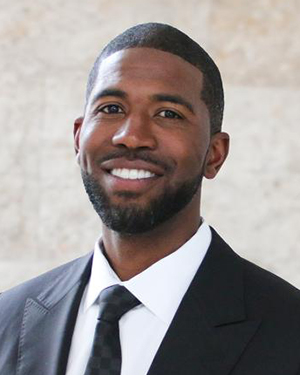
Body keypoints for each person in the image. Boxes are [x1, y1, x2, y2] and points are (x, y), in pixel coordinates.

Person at [1, 22, 300, 375]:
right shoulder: (9, 319)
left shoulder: (288, 331)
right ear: (79, 137)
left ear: (214, 154)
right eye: (111, 108)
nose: (131, 136)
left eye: (168, 114)